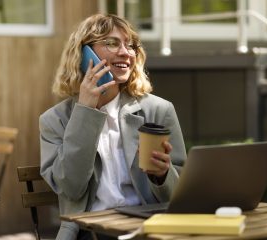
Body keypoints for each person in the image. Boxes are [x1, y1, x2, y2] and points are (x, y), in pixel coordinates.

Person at [39, 13, 186, 240]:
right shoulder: (54, 121)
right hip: (89, 232)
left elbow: (182, 192)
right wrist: (86, 112)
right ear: (83, 54)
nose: (125, 52)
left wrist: (162, 175)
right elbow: (71, 186)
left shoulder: (158, 111)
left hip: (148, 228)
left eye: (130, 45)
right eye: (112, 43)